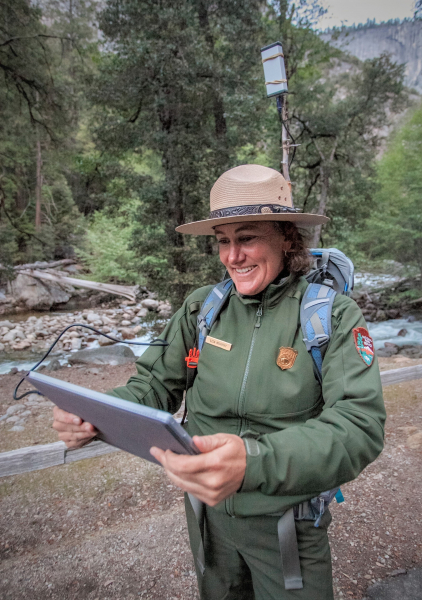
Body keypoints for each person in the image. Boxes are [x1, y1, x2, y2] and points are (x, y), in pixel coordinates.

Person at [53, 165, 385, 600]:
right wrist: (95, 412)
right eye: (223, 241)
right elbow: (154, 385)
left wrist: (253, 460)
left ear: (288, 237)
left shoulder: (332, 317)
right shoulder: (202, 310)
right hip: (207, 519)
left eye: (247, 237)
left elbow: (359, 426)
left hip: (288, 522)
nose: (232, 256)